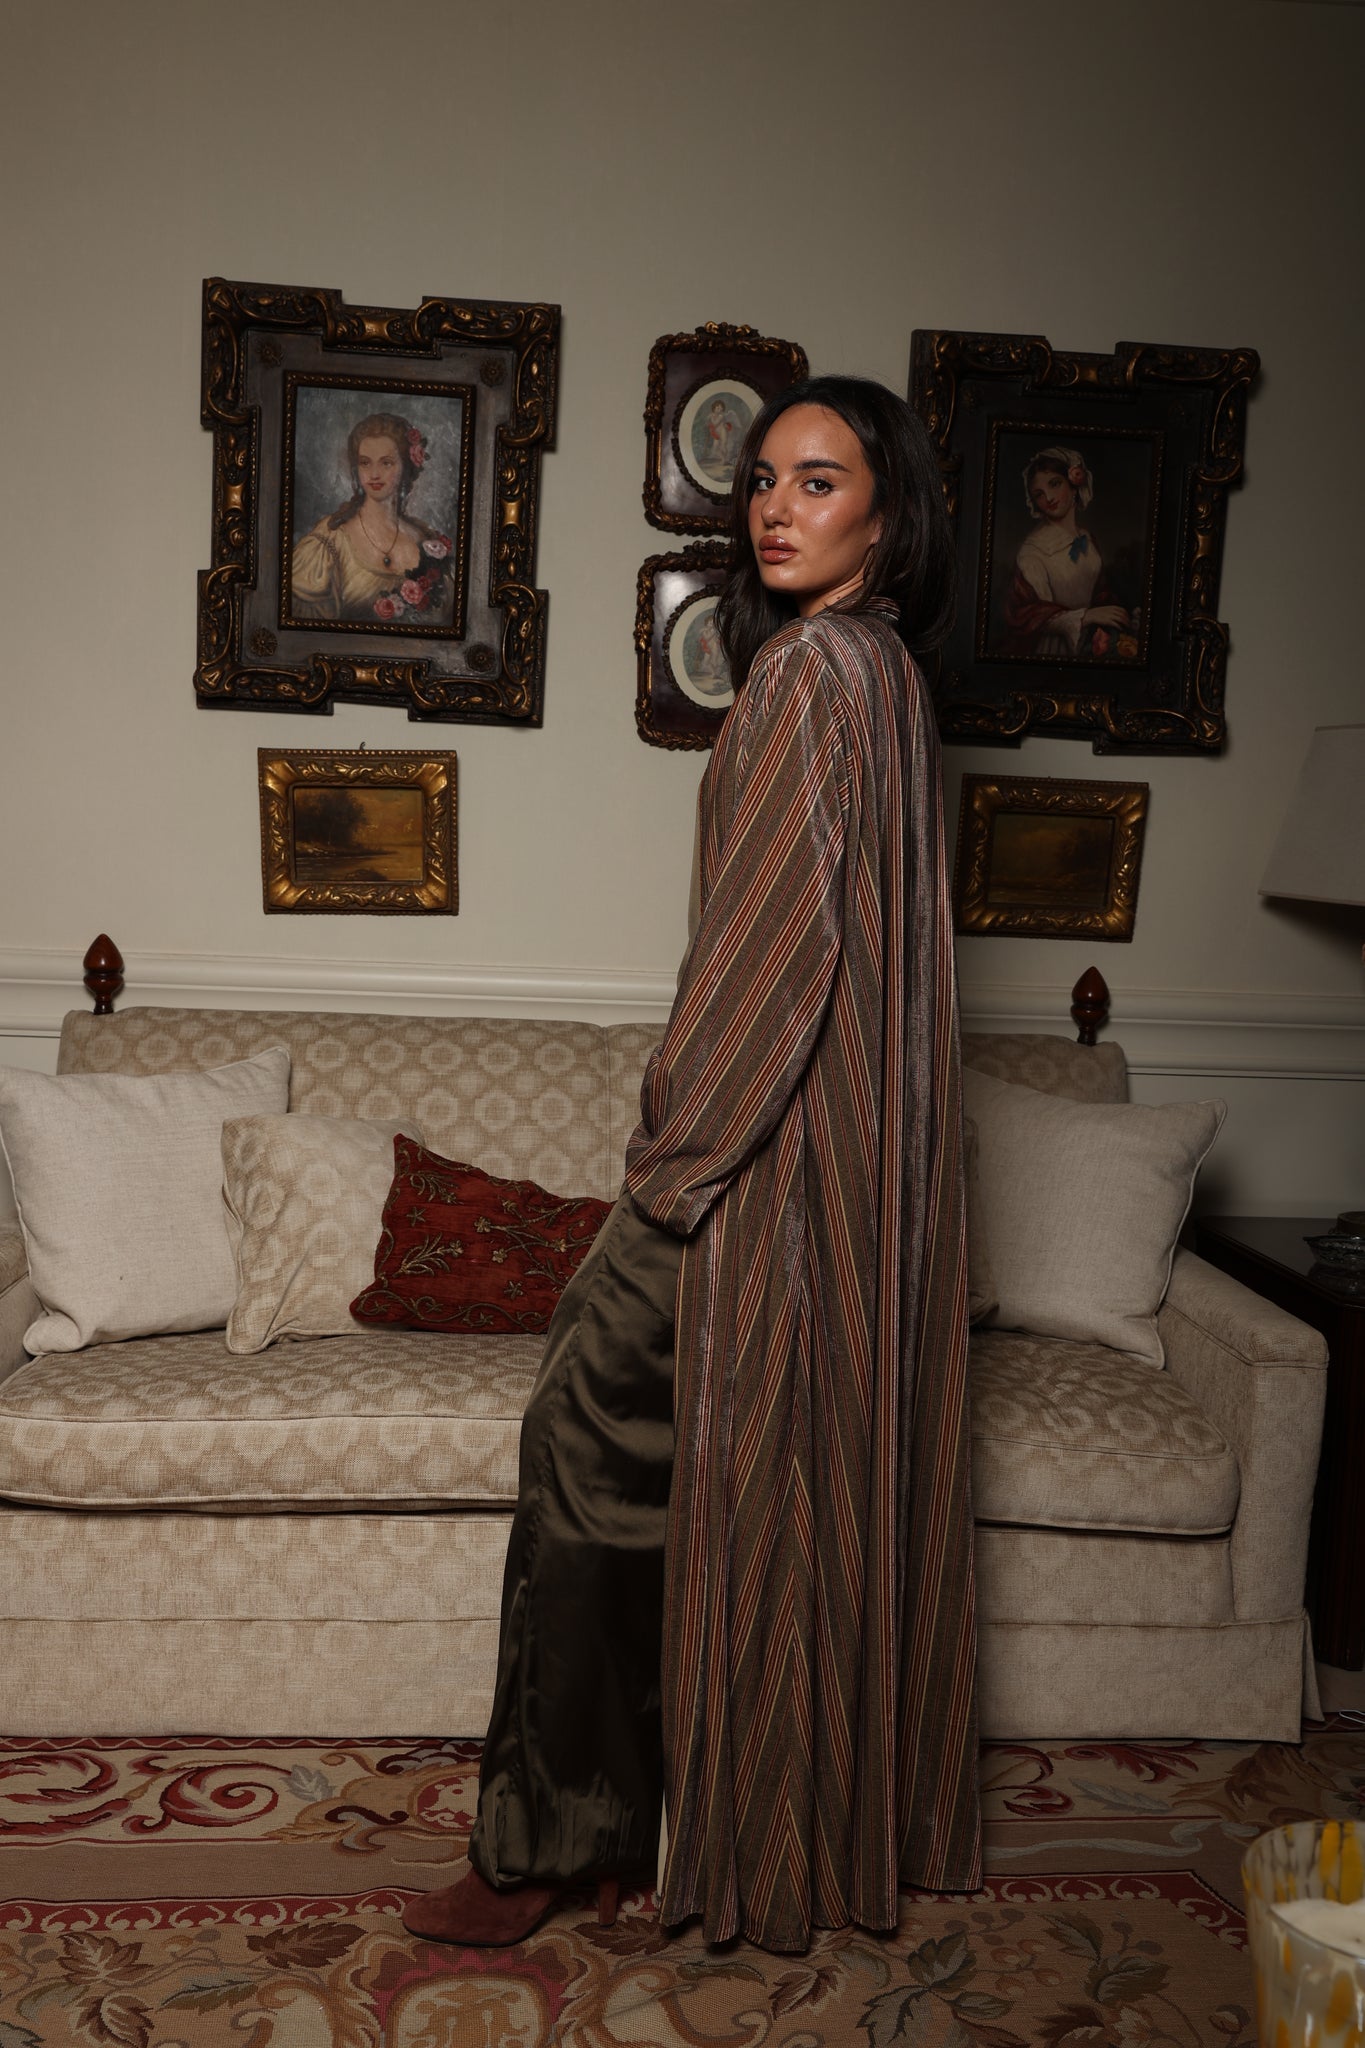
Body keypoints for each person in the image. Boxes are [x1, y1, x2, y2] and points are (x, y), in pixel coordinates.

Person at [402, 375, 981, 1956]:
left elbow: (772, 961)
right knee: (723, 1488)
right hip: (839, 1178)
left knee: (580, 1431)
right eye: (765, 479)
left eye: (821, 480)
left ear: (889, 514)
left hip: (751, 1172)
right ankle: (646, 1822)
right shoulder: (888, 678)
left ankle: (545, 1846)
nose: (778, 507)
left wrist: (670, 1169)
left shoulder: (807, 678)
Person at [289, 411, 454, 625]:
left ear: (405, 466)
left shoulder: (425, 539)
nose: (374, 474)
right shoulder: (330, 541)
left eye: (386, 463)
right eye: (365, 463)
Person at [1001, 446, 1132, 659]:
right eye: (1039, 494)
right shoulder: (1033, 551)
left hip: (1089, 645)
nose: (1049, 498)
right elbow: (1023, 614)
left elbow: (1098, 592)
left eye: (1055, 484)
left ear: (1074, 486)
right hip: (1051, 649)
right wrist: (1085, 617)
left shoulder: (1086, 539)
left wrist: (1120, 614)